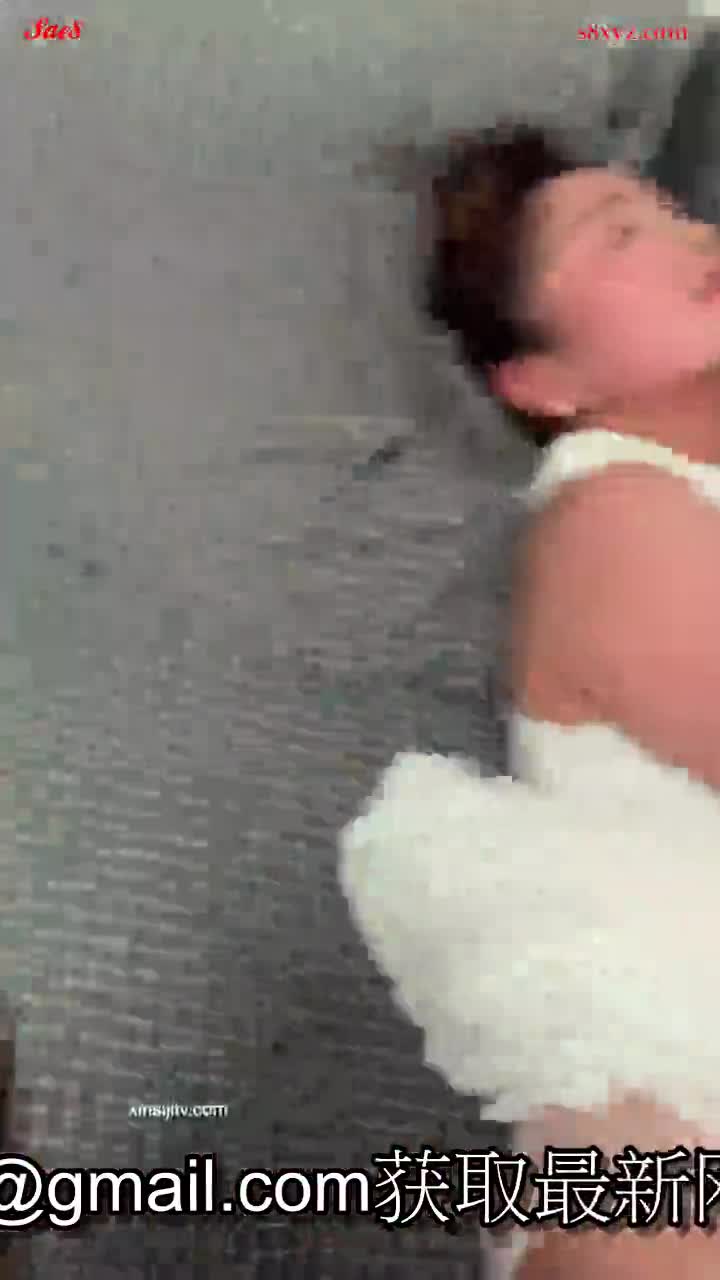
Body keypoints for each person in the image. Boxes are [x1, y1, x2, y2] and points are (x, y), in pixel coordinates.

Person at [339, 122, 720, 1279]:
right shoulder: (614, 510)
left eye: (681, 213)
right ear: (542, 381)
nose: (697, 237)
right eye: (620, 232)